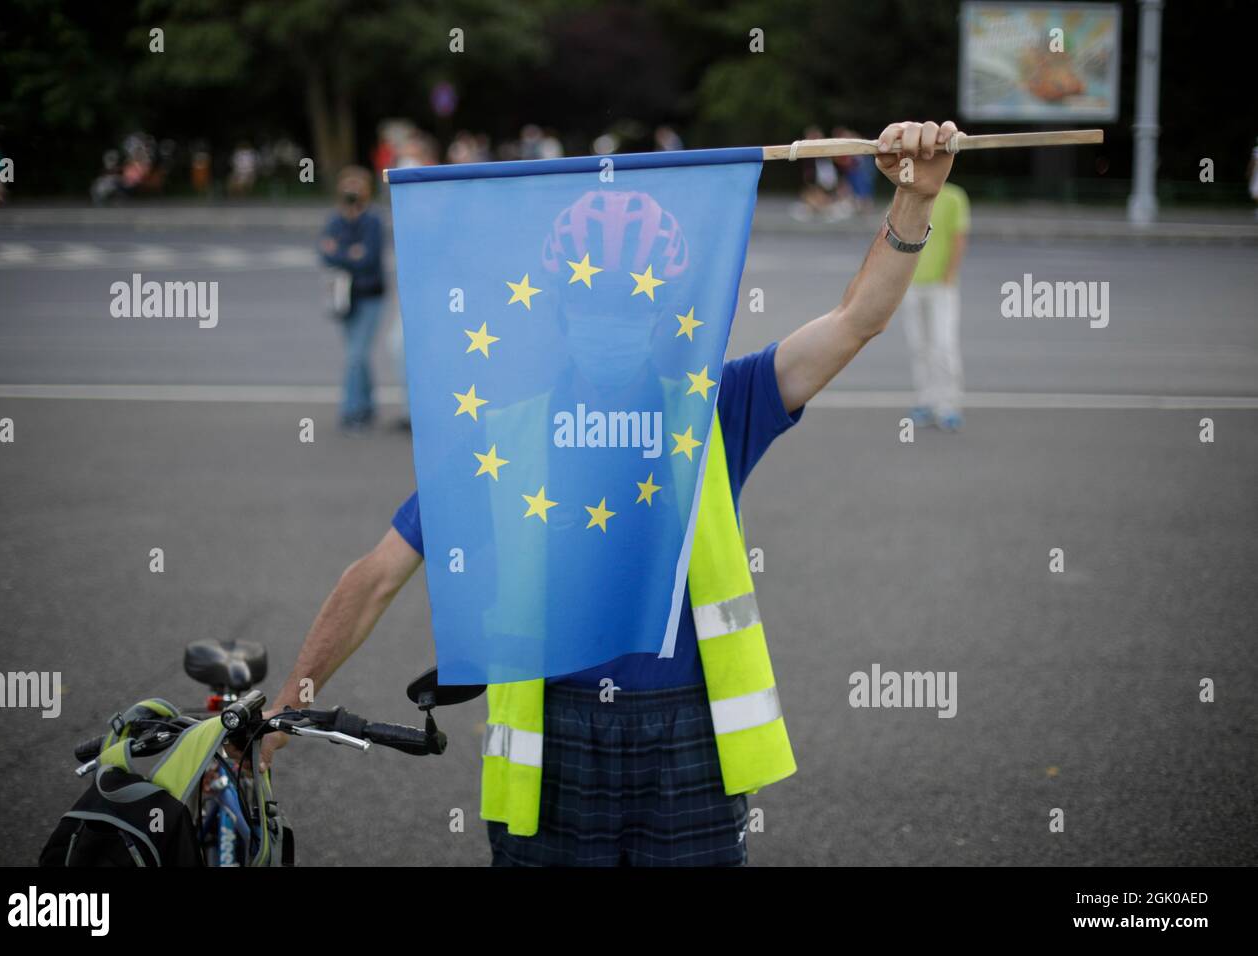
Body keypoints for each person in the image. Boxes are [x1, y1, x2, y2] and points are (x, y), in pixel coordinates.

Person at [267, 120, 961, 865]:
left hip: (688, 736)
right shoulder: (506, 436)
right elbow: (376, 577)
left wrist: (914, 202)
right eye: (590, 300)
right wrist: (281, 714)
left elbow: (859, 320)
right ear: (560, 311)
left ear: (660, 311)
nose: (611, 319)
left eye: (632, 302)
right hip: (554, 744)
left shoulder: (713, 405)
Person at [318, 166, 386, 433]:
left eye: (357, 186)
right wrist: (351, 253)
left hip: (370, 295)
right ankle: (367, 404)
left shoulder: (373, 221)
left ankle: (351, 410)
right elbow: (324, 253)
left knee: (355, 355)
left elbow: (368, 259)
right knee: (356, 356)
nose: (352, 192)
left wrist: (341, 252)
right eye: (348, 186)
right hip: (342, 297)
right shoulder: (336, 220)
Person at [898, 180, 970, 431]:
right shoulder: (909, 194)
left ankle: (948, 404)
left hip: (941, 285)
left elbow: (959, 236)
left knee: (943, 345)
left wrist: (949, 276)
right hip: (911, 283)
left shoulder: (954, 196)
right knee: (919, 346)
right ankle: (926, 399)